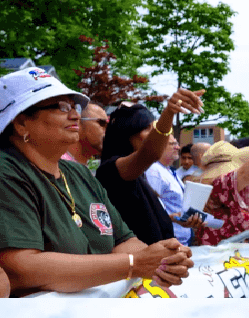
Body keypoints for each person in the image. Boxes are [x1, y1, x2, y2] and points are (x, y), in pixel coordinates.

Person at [0, 67, 194, 295]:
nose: (75, 115)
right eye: (61, 107)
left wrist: (163, 258)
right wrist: (134, 264)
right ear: (21, 123)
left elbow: (122, 240)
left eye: (75, 107)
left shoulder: (78, 173)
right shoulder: (7, 171)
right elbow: (20, 269)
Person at [96, 92, 205, 244]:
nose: (154, 135)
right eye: (148, 129)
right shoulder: (111, 170)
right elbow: (150, 153)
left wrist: (174, 219)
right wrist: (169, 112)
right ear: (127, 133)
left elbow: (142, 218)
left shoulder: (141, 173)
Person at [145, 135, 203, 246]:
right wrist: (173, 218)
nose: (178, 147)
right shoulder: (153, 171)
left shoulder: (168, 170)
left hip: (182, 238)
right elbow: (152, 211)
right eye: (173, 144)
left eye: (177, 143)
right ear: (159, 146)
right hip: (170, 241)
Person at [62, 102, 108, 168]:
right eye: (102, 123)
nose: (107, 129)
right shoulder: (60, 167)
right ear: (78, 123)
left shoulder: (85, 168)